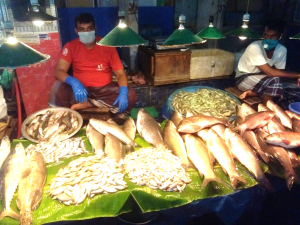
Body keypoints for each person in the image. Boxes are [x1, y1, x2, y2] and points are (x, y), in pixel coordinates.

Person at [48, 12, 137, 118]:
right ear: (76, 31)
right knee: (57, 87)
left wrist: (123, 92)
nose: (86, 32)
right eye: (82, 29)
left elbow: (120, 74)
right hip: (80, 91)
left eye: (89, 28)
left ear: (95, 28)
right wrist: (74, 82)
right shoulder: (71, 46)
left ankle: (88, 104)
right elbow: (58, 71)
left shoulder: (107, 45)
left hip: (104, 90)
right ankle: (59, 118)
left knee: (130, 95)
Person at [235, 18, 300, 108]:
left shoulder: (282, 50)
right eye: (266, 35)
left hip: (264, 79)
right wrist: (298, 75)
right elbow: (271, 73)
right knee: (275, 81)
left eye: (273, 36)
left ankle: (256, 93)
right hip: (244, 77)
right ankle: (266, 111)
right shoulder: (254, 47)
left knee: (294, 90)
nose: (268, 38)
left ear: (280, 36)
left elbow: (279, 73)